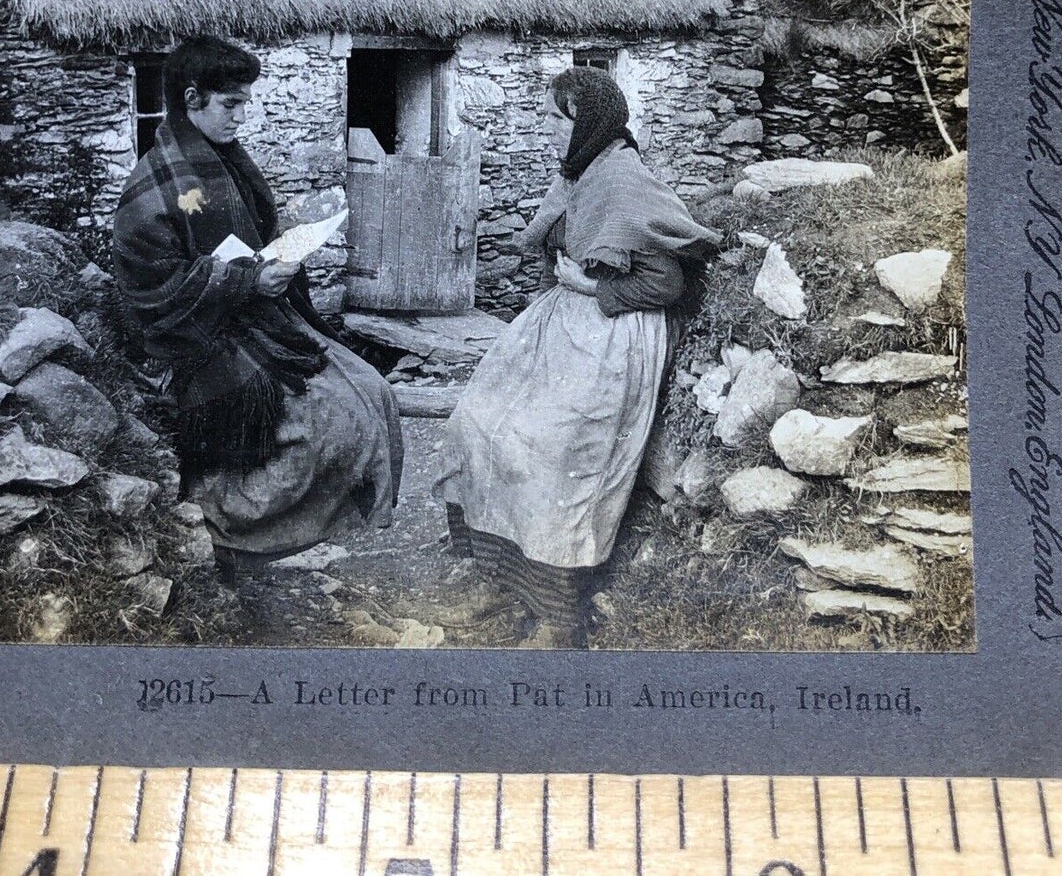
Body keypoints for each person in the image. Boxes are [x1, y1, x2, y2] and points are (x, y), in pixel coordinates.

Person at [433, 65, 719, 646]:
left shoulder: (622, 182)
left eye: (551, 119)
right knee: (478, 424)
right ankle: (499, 580)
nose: (543, 130)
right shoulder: (582, 174)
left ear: (584, 123)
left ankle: (559, 617)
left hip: (612, 335)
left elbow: (667, 283)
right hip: (564, 323)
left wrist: (592, 288)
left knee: (553, 454)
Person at [112, 35, 403, 572]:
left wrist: (275, 263)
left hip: (256, 317)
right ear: (192, 98)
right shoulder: (157, 183)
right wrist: (246, 283)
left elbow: (246, 238)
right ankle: (227, 533)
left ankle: (271, 537)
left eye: (246, 101)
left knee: (373, 390)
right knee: (328, 425)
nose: (242, 116)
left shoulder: (225, 162)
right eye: (231, 104)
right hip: (199, 337)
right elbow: (150, 288)